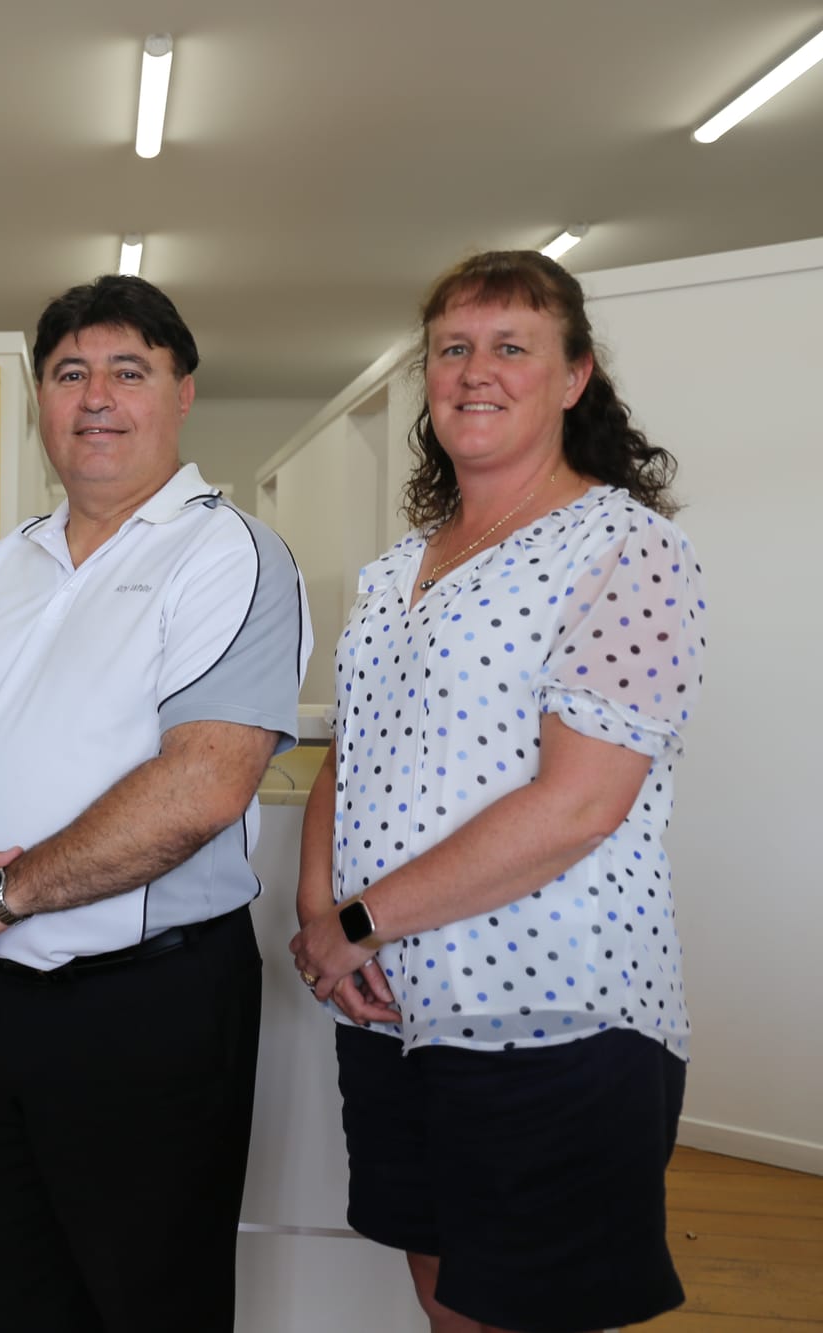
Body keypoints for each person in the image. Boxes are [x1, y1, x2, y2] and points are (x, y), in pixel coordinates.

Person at [0, 274, 312, 1331]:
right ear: (38, 400)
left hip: (150, 1008)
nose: (95, 398)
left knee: (147, 1305)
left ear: (182, 395)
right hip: (2, 1003)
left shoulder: (227, 552)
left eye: (129, 371)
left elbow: (203, 782)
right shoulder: (4, 567)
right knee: (18, 1299)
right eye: (69, 373)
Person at [289, 249, 704, 1333]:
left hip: (553, 1014)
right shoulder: (392, 574)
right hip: (394, 1013)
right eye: (451, 349)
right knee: (449, 1308)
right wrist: (314, 917)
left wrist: (355, 921)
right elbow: (352, 751)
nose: (476, 370)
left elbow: (577, 804)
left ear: (573, 377)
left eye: (510, 346)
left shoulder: (626, 548)